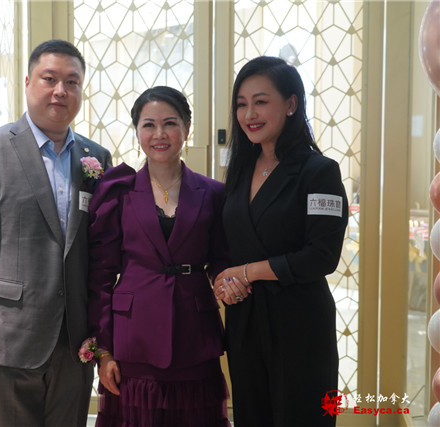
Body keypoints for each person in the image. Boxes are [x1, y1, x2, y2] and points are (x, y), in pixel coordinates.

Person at [0, 39, 112, 427]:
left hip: (75, 338)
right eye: (49, 79)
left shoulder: (95, 158)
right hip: (11, 334)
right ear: (27, 82)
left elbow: (100, 247)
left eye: (72, 82)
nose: (60, 90)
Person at [214, 56, 349, 426]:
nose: (249, 114)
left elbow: (322, 256)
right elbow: (230, 244)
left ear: (291, 104)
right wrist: (225, 282)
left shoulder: (319, 171)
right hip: (245, 322)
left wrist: (247, 272)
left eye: (261, 101)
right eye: (241, 104)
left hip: (299, 325)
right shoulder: (241, 169)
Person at [87, 86, 230, 426]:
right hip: (132, 337)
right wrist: (102, 351)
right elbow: (101, 275)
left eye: (170, 123)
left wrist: (227, 279)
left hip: (194, 332)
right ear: (137, 131)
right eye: (148, 125)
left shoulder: (213, 193)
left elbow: (222, 258)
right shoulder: (118, 192)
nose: (159, 134)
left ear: (187, 128)